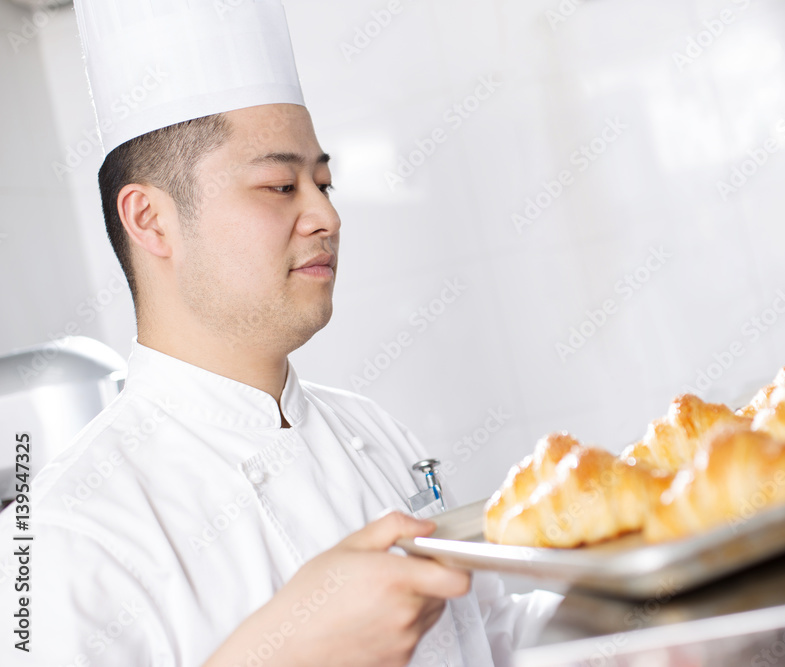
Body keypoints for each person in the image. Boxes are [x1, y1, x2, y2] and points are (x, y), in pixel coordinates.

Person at [0, 2, 560, 666]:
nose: (326, 213)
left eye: (322, 181)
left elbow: (489, 636)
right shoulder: (57, 537)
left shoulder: (373, 431)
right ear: (150, 219)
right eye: (279, 185)